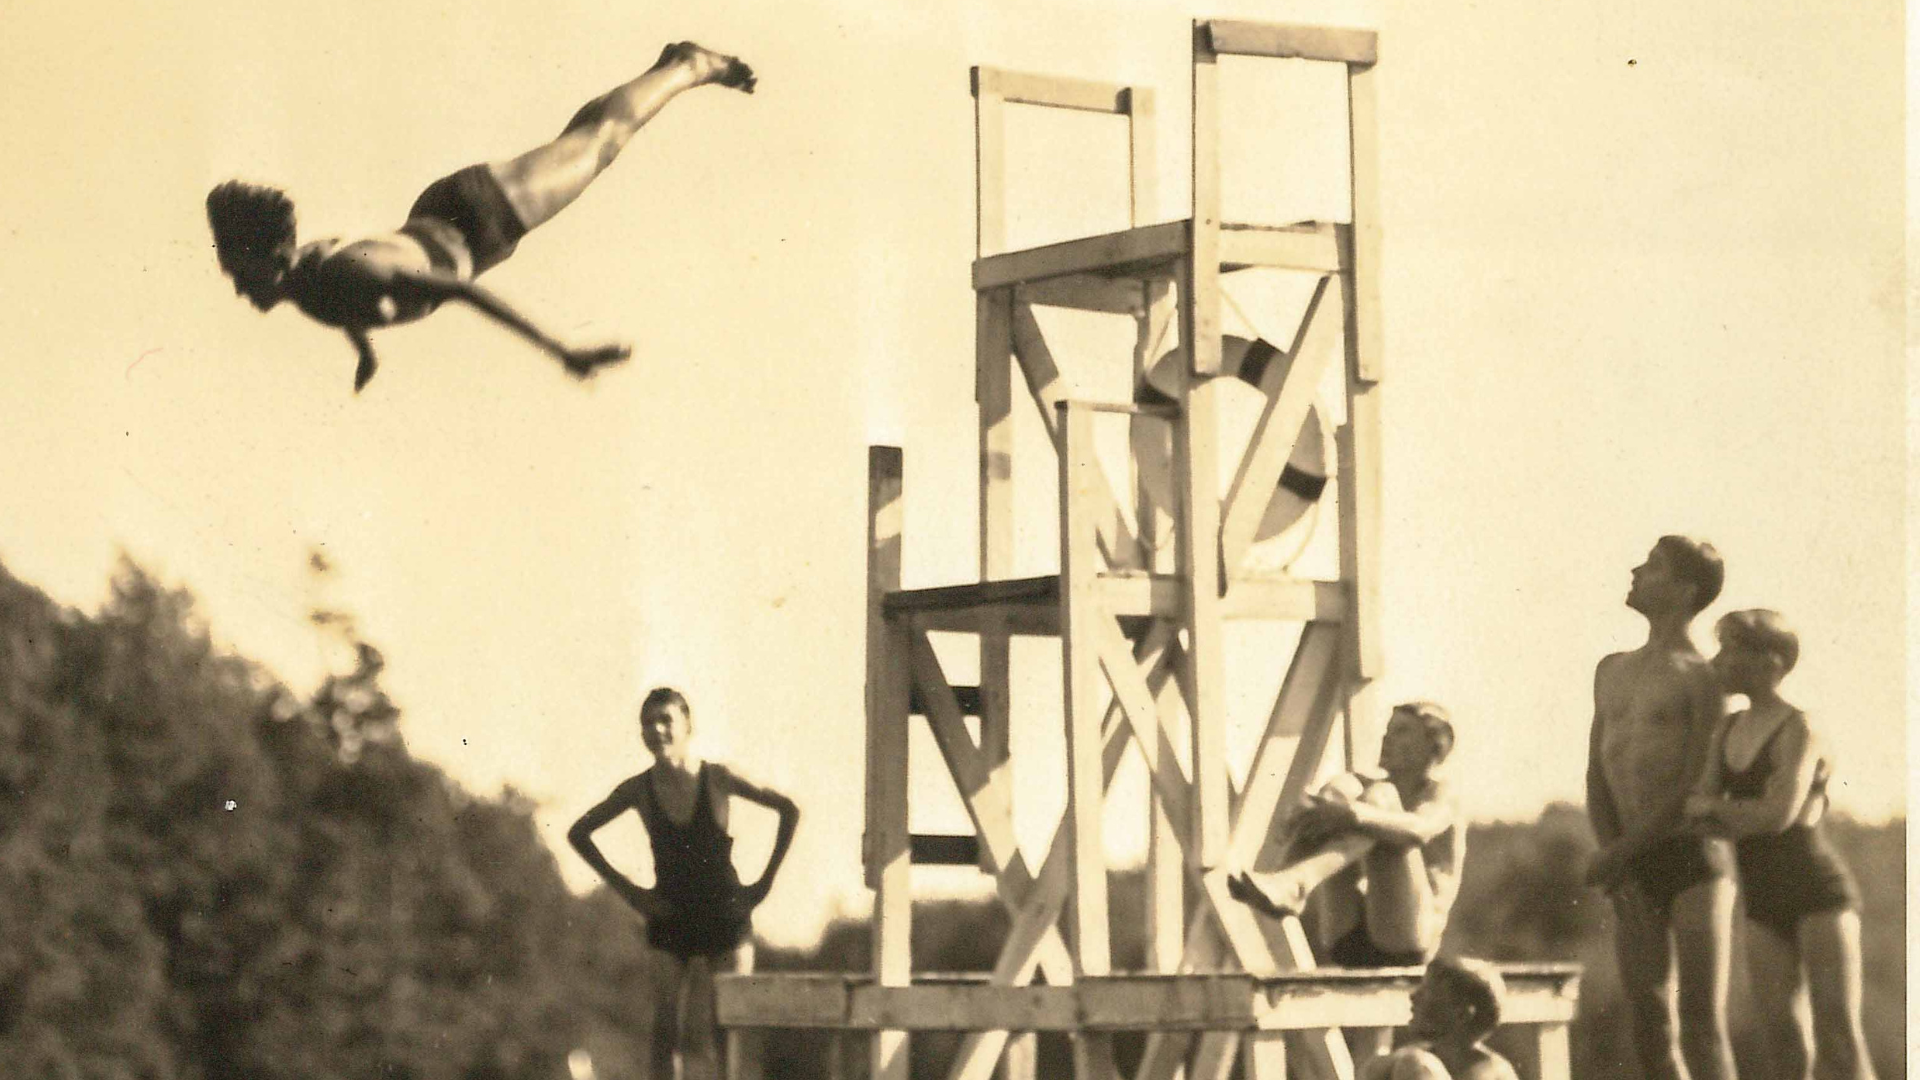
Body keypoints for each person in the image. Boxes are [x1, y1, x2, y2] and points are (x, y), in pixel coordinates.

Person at [206, 41, 755, 392]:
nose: (236, 288)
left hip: (483, 217)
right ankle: (668, 66)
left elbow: (464, 292)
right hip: (441, 211)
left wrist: (560, 349)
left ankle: (689, 66)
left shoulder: (343, 275)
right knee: (581, 143)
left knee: (600, 143)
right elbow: (337, 302)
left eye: (237, 272)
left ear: (275, 257)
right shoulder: (304, 285)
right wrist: (366, 353)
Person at [568, 687, 799, 1080]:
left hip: (725, 913)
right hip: (670, 912)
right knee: (666, 1027)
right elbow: (579, 833)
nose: (656, 729)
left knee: (727, 1025)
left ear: (688, 726)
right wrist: (631, 893)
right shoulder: (639, 789)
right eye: (647, 722)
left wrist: (765, 883)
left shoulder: (719, 778)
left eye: (665, 720)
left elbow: (787, 809)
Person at [1684, 610, 1875, 1080]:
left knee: (1839, 1039)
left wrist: (1722, 812)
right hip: (1762, 897)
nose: (1718, 661)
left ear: (1769, 661)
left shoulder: (1801, 727)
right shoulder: (1725, 729)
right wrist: (1741, 814)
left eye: (1730, 650)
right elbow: (1697, 811)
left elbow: (1778, 814)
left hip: (1817, 892)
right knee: (1783, 1043)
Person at [1585, 536, 1735, 1080]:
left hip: (1692, 859)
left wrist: (1619, 851)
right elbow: (1598, 770)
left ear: (1685, 589)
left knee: (1700, 1023)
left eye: (1651, 566)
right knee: (1649, 1022)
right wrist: (1614, 851)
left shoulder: (1703, 676)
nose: (1635, 571)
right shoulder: (1610, 668)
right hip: (1630, 860)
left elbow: (1697, 780)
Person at [1229, 702, 1463, 967]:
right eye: (1387, 730)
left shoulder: (1440, 794)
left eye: (1401, 731)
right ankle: (1291, 881)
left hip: (1406, 938)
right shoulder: (1363, 785)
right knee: (1342, 789)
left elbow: (1419, 829)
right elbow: (1340, 799)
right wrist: (1314, 813)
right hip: (1346, 938)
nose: (1386, 738)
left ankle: (1297, 884)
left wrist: (1352, 815)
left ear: (1434, 748)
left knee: (1377, 800)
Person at [1357, 957, 1520, 1080]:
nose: (1414, 996)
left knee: (1414, 1063)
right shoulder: (1413, 1056)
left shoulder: (1492, 1071)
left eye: (1428, 991)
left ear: (1461, 1015)